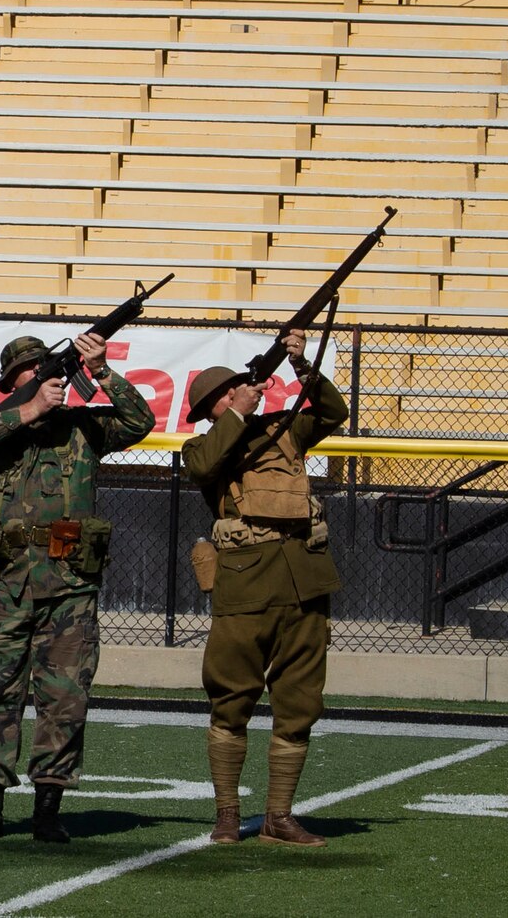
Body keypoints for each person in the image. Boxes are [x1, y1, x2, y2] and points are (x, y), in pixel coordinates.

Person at [0, 333, 153, 844]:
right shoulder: (1, 426)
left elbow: (140, 422)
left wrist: (102, 371)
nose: (46, 380)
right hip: (3, 584)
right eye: (31, 373)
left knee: (64, 699)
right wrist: (28, 409)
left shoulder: (83, 428)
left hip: (68, 586)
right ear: (14, 382)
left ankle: (48, 805)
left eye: (48, 371)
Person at [182, 328, 349, 848]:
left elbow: (331, 414)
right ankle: (228, 814)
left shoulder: (285, 431)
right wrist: (237, 415)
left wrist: (303, 367)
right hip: (245, 584)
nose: (245, 393)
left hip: (305, 579)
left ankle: (280, 816)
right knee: (231, 699)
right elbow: (208, 465)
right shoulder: (204, 445)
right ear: (219, 403)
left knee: (299, 702)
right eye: (233, 391)